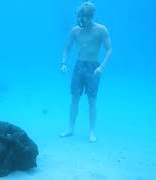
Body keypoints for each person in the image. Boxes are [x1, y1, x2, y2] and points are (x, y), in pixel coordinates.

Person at [59, 1, 112, 142]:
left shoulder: (101, 30)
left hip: (93, 67)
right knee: (74, 98)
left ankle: (92, 131)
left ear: (91, 16)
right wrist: (63, 62)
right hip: (79, 66)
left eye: (84, 17)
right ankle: (70, 128)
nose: (81, 20)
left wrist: (102, 67)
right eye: (79, 17)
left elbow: (109, 49)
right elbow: (67, 48)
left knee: (92, 100)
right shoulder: (75, 31)